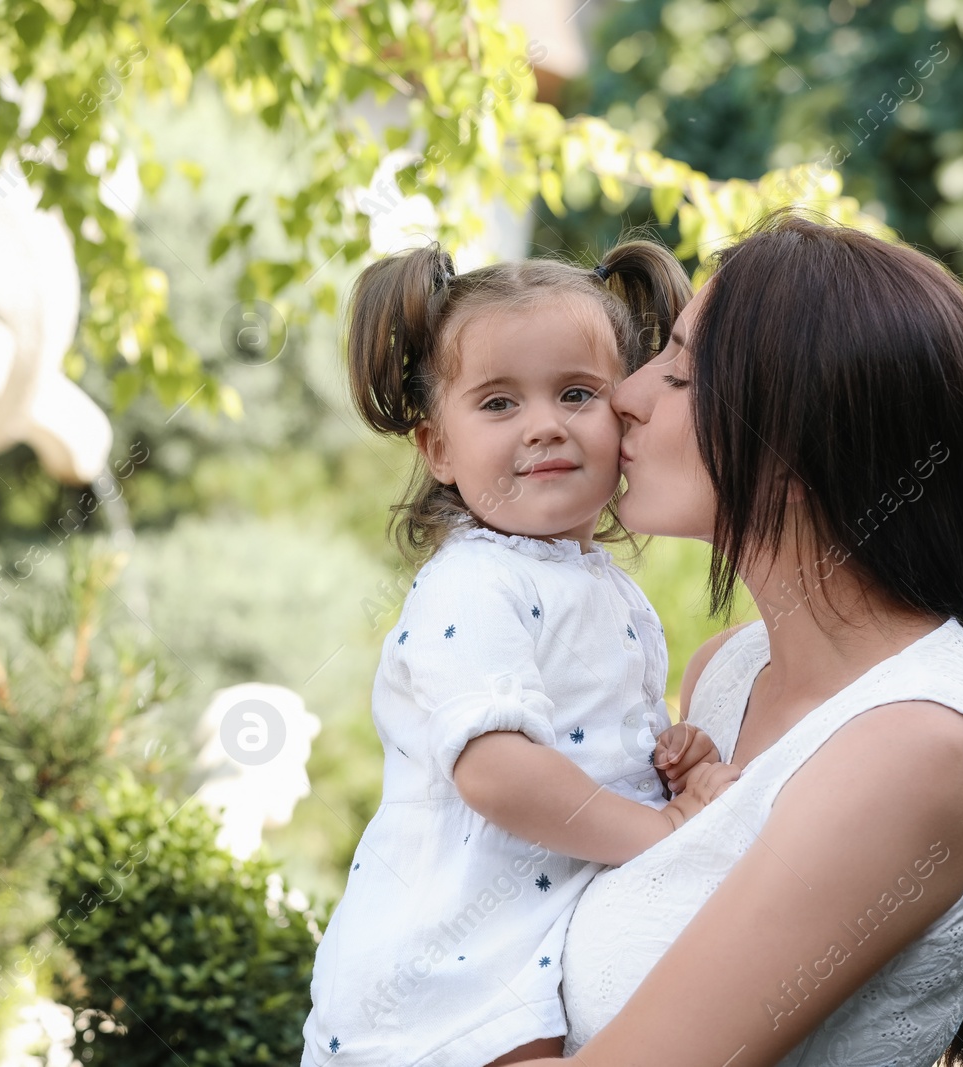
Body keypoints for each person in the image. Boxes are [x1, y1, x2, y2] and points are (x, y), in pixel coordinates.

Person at [512, 213, 963, 1066]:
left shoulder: (915, 747)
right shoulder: (728, 674)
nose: (626, 393)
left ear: (797, 443)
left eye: (680, 371)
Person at [298, 239, 738, 1067]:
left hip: (519, 961)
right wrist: (660, 831)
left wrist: (671, 755)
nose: (544, 425)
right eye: (498, 404)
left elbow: (589, 747)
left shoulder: (605, 589)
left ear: (626, 415)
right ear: (438, 448)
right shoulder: (471, 584)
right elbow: (498, 770)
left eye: (577, 393)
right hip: (439, 977)